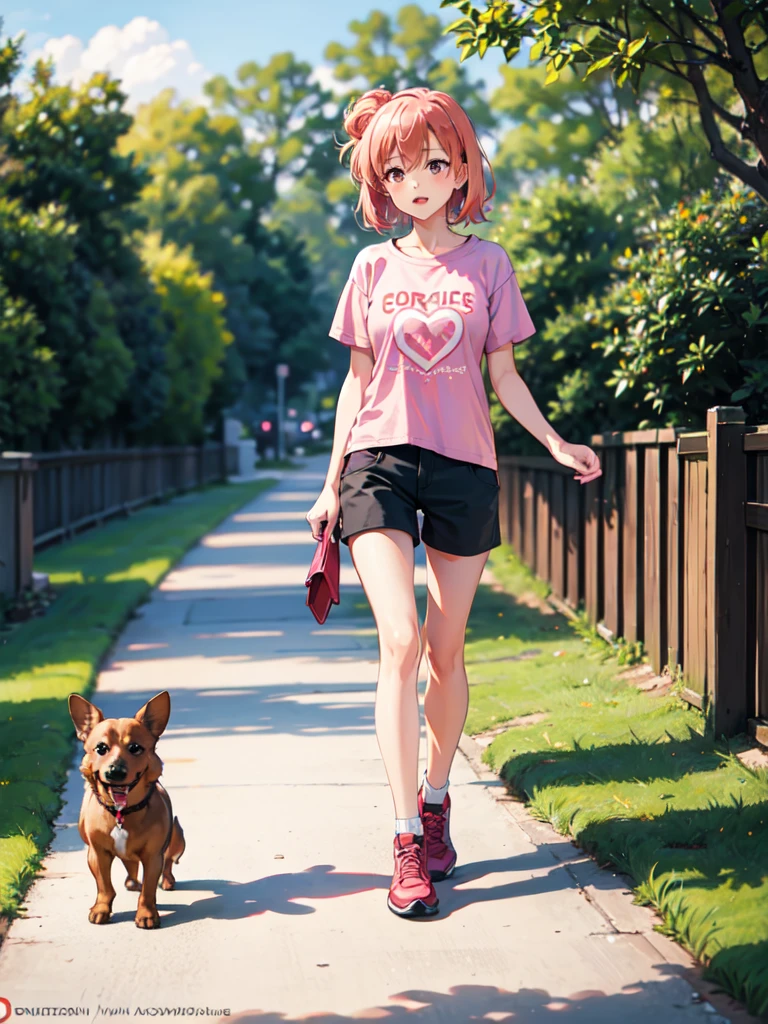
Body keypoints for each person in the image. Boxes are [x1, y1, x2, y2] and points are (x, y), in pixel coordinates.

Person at [306, 86, 602, 919]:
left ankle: (438, 800)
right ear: (382, 181)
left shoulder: (490, 264)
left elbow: (503, 374)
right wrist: (331, 485)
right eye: (402, 169)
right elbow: (356, 382)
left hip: (466, 466)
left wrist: (552, 442)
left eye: (438, 162)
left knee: (446, 649)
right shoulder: (370, 269)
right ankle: (405, 839)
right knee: (398, 642)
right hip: (379, 463)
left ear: (461, 167)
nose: (421, 180)